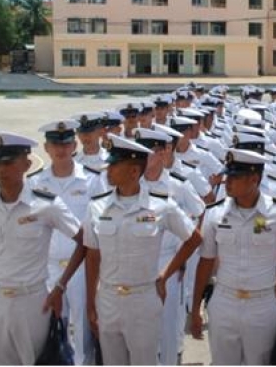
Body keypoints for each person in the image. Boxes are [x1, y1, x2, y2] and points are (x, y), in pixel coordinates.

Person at [0, 132, 85, 365]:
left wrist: (60, 286)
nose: (1, 170)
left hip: (33, 301)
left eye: (9, 162)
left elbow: (84, 241)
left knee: (36, 360)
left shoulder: (45, 205)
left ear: (27, 165)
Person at [84, 134, 202, 365]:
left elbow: (194, 239)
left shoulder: (161, 206)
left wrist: (165, 274)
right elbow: (92, 256)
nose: (108, 170)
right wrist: (90, 303)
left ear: (133, 171)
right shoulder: (96, 207)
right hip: (108, 297)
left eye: (115, 165)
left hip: (143, 299)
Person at [191, 149, 276, 365]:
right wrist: (195, 307)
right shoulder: (215, 213)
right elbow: (206, 261)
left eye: (234, 176)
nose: (227, 181)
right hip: (224, 300)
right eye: (228, 175)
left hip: (262, 303)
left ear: (254, 178)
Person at [29, 119, 99, 365]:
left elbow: (96, 229)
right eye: (54, 145)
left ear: (74, 145)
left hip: (80, 266)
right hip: (46, 268)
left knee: (82, 329)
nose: (61, 150)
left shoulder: (91, 180)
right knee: (48, 327)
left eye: (66, 144)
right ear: (46, 148)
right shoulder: (35, 183)